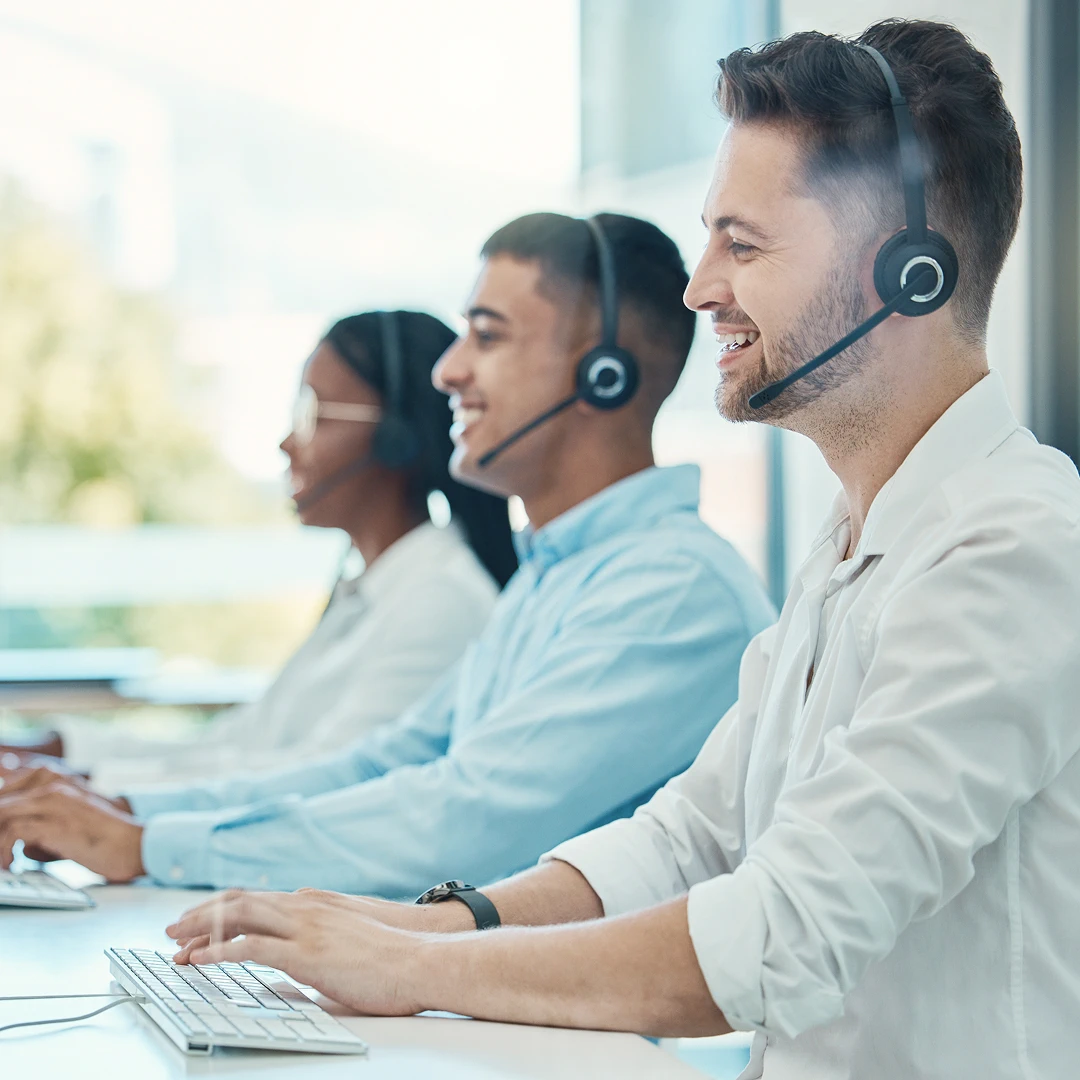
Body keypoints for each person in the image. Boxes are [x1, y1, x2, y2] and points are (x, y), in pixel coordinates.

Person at [162, 22, 1080, 1080]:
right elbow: (689, 836)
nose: (698, 289)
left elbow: (778, 936)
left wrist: (409, 971)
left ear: (907, 270)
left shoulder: (1016, 551)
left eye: (743, 244)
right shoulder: (848, 547)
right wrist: (421, 928)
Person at [0, 212, 775, 897]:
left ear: (603, 377)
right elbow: (385, 764)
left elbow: (461, 821)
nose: (449, 370)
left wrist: (143, 844)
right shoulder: (560, 576)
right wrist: (126, 817)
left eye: (489, 334)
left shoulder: (671, 591)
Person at [0, 312, 517, 790]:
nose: (288, 443)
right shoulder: (372, 588)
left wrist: (86, 786)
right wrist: (56, 751)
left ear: (396, 440)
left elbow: (326, 778)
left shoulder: (439, 600)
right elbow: (239, 743)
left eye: (315, 414)